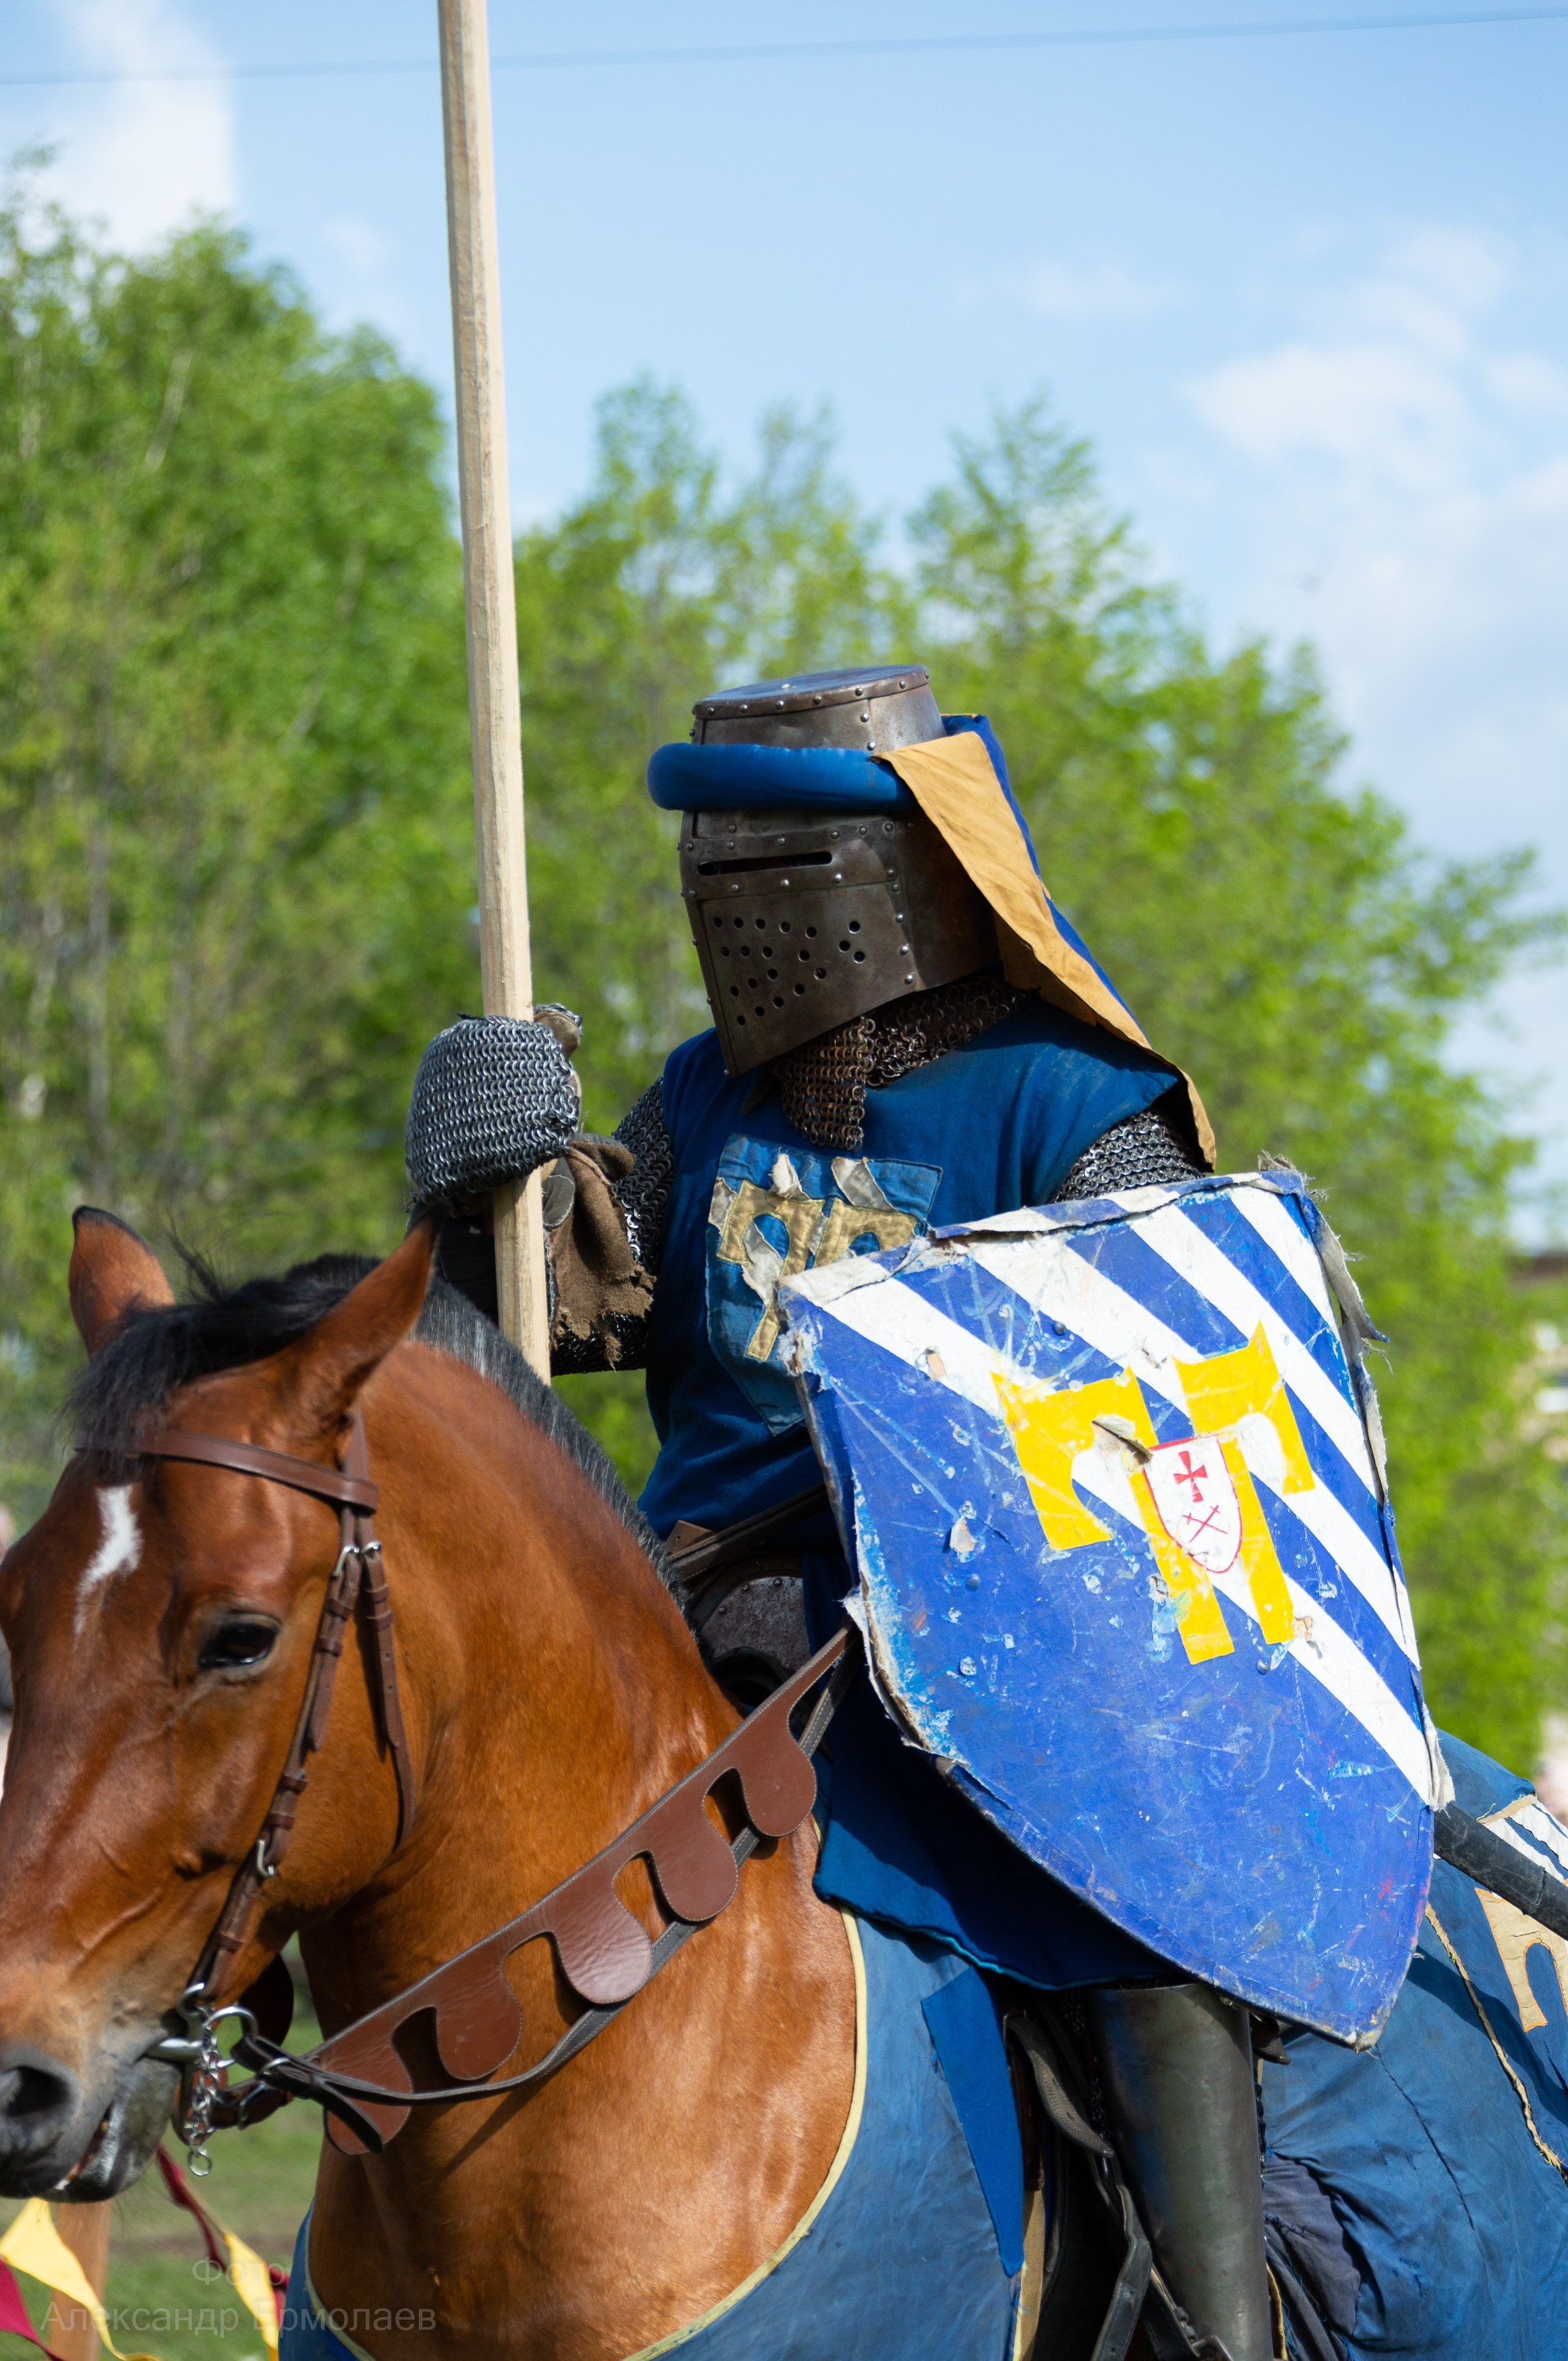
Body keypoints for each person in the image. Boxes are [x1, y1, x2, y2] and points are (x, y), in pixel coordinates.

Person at [405, 664, 1275, 2360]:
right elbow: (527, 1338)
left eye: (773, 870)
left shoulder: (1076, 1109)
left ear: (911, 875)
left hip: (978, 1652)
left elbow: (1182, 1416)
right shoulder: (704, 1100)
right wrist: (474, 1190)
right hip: (679, 1621)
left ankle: (1216, 2321)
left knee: (1140, 1920)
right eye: (710, 869)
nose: (734, 908)